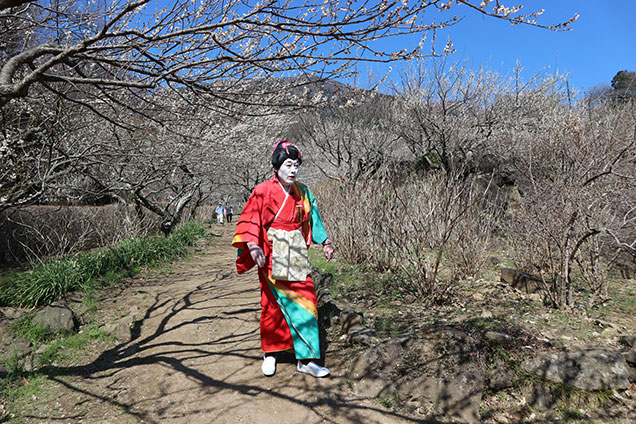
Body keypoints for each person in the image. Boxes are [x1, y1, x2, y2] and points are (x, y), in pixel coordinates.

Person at [232, 140, 334, 378]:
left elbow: (314, 219)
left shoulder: (304, 192)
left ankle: (306, 359)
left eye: (296, 165)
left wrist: (326, 242)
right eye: (288, 165)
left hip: (295, 251)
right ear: (276, 166)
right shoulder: (262, 191)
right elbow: (249, 220)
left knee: (307, 301)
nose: (293, 170)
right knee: (272, 305)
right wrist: (253, 245)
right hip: (270, 252)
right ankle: (270, 354)